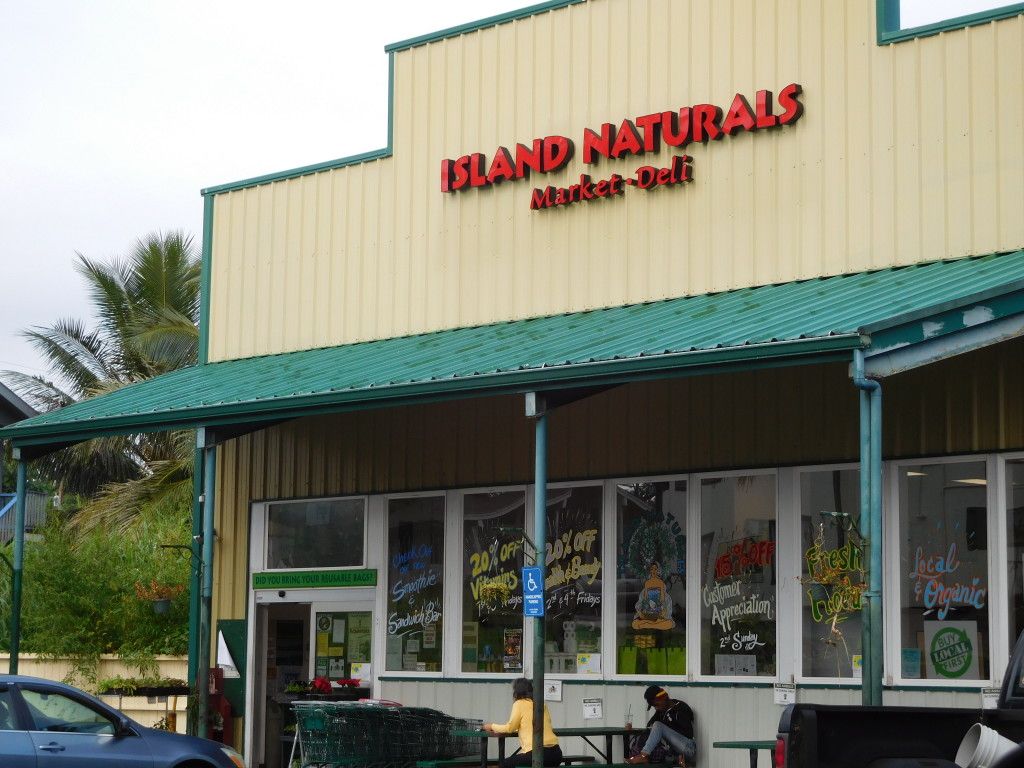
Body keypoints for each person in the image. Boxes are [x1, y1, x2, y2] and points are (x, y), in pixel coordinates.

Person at [484, 677, 563, 767]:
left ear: (516, 691)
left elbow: (510, 728)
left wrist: (491, 726)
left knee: (505, 764)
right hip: (556, 753)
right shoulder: (541, 703)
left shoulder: (519, 703)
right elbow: (544, 723)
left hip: (538, 753)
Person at [626, 685, 696, 766]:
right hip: (673, 752)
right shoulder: (661, 711)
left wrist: (665, 730)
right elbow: (650, 726)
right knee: (654, 733)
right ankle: (677, 760)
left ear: (663, 698)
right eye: (654, 706)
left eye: (656, 705)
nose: (656, 708)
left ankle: (643, 755)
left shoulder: (681, 708)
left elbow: (688, 734)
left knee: (658, 725)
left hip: (688, 747)